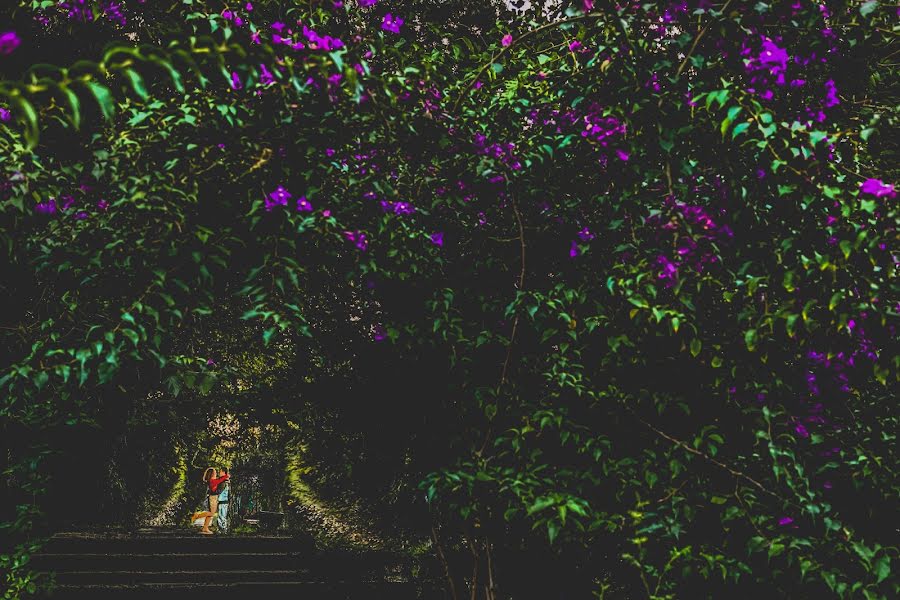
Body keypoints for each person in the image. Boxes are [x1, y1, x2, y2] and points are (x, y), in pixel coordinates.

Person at [190, 467, 229, 535]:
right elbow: (220, 480)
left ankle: (205, 528)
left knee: (210, 514)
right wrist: (226, 476)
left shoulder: (213, 480)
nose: (216, 473)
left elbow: (219, 480)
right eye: (215, 472)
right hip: (213, 498)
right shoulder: (212, 481)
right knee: (211, 513)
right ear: (212, 474)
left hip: (214, 497)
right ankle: (196, 516)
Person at [216, 467, 230, 533]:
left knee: (222, 515)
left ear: (224, 472)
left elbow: (219, 491)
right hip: (223, 501)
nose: (219, 473)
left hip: (223, 501)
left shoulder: (223, 481)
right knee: (221, 515)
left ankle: (223, 529)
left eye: (220, 471)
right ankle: (222, 529)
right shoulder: (226, 480)